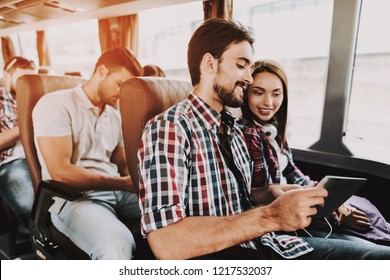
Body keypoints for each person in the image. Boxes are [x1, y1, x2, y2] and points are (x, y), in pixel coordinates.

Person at [138, 18, 390, 260]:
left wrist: (272, 192)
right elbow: (166, 242)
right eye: (241, 65)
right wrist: (272, 216)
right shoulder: (170, 128)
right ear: (209, 64)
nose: (248, 77)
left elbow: (231, 201)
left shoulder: (232, 129)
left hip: (266, 243)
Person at [238, 59, 390, 244]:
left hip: (302, 196)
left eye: (276, 94)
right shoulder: (248, 135)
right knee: (367, 233)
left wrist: (324, 192)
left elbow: (292, 172)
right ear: (246, 94)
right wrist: (331, 211)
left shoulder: (273, 129)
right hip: (289, 209)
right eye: (258, 92)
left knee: (364, 205)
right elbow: (269, 197)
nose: (268, 102)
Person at [32, 47, 143, 260]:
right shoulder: (55, 104)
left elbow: (123, 165)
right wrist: (122, 183)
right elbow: (61, 172)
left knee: (181, 211)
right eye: (120, 84)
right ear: (101, 71)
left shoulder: (116, 114)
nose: (122, 93)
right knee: (117, 244)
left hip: (117, 191)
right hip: (73, 198)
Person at [0, 56, 35, 230]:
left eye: (31, 79)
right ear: (7, 76)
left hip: (40, 156)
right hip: (11, 161)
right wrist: (24, 126)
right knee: (33, 207)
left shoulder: (37, 95)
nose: (26, 84)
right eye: (21, 79)